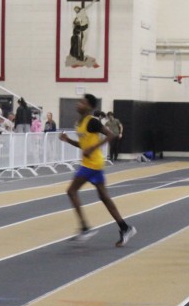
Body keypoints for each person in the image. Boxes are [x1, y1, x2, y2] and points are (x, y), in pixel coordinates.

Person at [58, 93, 135, 246]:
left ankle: (85, 228)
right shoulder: (79, 123)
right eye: (79, 101)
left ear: (89, 107)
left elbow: (111, 135)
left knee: (71, 191)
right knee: (104, 197)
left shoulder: (92, 121)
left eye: (82, 102)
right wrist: (68, 140)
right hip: (92, 163)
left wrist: (93, 148)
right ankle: (125, 228)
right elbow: (83, 145)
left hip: (92, 164)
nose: (78, 104)